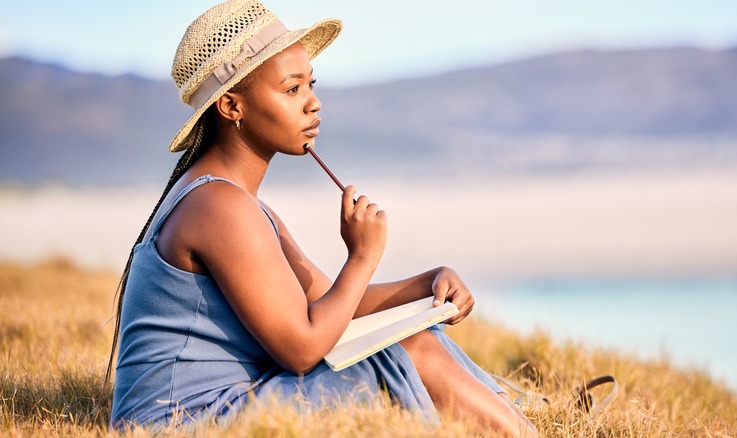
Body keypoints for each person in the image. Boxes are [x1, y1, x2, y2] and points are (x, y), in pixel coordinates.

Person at [107, 1, 537, 436]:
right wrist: (362, 257)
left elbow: (325, 302)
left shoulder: (234, 202)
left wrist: (426, 286)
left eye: (310, 84)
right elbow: (301, 348)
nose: (314, 104)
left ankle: (512, 417)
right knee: (407, 347)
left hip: (218, 407)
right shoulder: (220, 208)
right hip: (187, 425)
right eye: (292, 89)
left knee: (413, 332)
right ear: (231, 107)